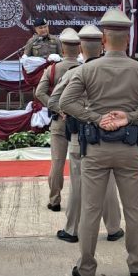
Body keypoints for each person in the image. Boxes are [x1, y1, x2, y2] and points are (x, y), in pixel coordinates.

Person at [59, 9, 138, 276]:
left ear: (104, 40)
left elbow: (65, 102)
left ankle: (86, 268)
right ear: (127, 38)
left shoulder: (87, 69)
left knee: (90, 210)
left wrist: (96, 118)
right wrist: (131, 116)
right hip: (130, 148)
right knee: (134, 209)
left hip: (96, 148)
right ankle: (137, 265)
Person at [49, 24, 124, 244]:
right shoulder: (115, 71)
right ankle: (113, 228)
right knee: (108, 183)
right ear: (101, 46)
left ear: (81, 48)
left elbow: (54, 101)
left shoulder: (75, 72)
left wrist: (71, 112)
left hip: (81, 136)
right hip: (110, 135)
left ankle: (73, 230)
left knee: (79, 184)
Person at [35, 28, 82, 212]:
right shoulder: (85, 69)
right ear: (79, 49)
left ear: (62, 49)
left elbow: (39, 93)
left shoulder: (52, 69)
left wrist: (58, 108)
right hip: (79, 120)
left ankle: (54, 200)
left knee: (57, 163)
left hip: (59, 121)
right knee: (79, 163)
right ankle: (80, 199)